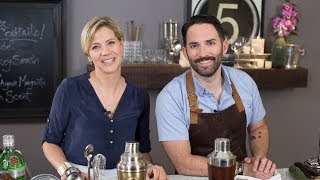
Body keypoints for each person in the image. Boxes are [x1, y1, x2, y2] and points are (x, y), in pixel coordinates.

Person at [42, 16, 167, 180]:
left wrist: (150, 168)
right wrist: (68, 172)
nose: (105, 52)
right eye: (95, 47)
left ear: (121, 44)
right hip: (79, 177)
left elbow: (142, 151)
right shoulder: (70, 88)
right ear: (89, 55)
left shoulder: (139, 96)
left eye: (111, 42)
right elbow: (50, 142)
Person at [155, 15, 276, 179]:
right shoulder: (170, 97)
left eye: (210, 43)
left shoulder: (244, 83)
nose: (203, 53)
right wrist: (242, 169)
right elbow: (183, 163)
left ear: (224, 46)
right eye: (194, 45)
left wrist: (259, 159)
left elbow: (258, 128)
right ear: (185, 52)